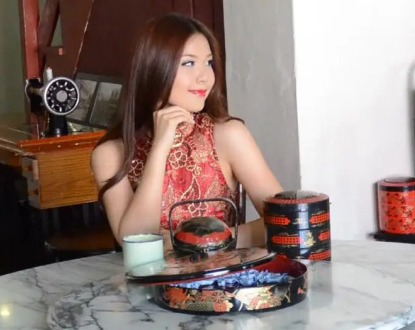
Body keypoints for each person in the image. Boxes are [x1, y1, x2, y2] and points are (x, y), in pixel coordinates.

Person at [92, 14, 283, 249]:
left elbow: (285, 221)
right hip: (151, 275)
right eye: (189, 63)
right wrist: (160, 148)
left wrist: (207, 240)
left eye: (208, 63)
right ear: (154, 67)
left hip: (226, 272)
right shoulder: (111, 153)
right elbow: (136, 244)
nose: (205, 77)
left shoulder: (228, 134)